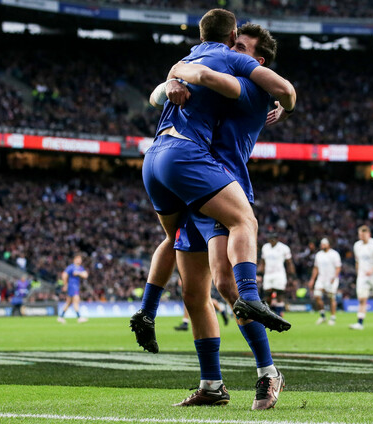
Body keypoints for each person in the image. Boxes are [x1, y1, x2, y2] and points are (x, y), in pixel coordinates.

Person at [133, 21, 290, 409]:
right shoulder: (223, 74)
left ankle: (269, 373)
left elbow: (278, 90)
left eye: (241, 49)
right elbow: (159, 96)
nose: (232, 52)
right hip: (194, 186)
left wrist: (179, 71)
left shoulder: (250, 89)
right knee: (192, 294)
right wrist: (171, 82)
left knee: (228, 286)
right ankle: (211, 385)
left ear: (258, 62)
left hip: (221, 185)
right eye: (232, 45)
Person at [258, 233, 295, 317]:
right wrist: (259, 273)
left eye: (273, 239)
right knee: (267, 294)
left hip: (279, 274)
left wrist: (292, 275)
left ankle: (279, 314)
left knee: (280, 294)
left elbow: (289, 263)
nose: (271, 240)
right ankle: (267, 314)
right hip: (268, 274)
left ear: (277, 239)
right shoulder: (265, 247)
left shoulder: (284, 248)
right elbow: (262, 262)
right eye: (270, 239)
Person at [308, 238, 342, 326]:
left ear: (328, 244)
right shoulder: (318, 255)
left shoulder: (334, 254)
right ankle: (323, 316)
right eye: (321, 244)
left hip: (331, 279)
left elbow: (338, 267)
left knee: (331, 297)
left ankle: (333, 318)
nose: (322, 245)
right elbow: (316, 268)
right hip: (321, 279)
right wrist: (312, 279)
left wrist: (335, 277)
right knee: (317, 296)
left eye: (324, 244)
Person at [58, 254, 88, 324]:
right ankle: (79, 317)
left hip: (76, 286)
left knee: (68, 302)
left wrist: (78, 273)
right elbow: (64, 275)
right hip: (72, 286)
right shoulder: (71, 267)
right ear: (75, 260)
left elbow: (85, 275)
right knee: (76, 300)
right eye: (78, 259)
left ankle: (61, 317)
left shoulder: (80, 268)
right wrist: (65, 284)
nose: (80, 261)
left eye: (80, 259)